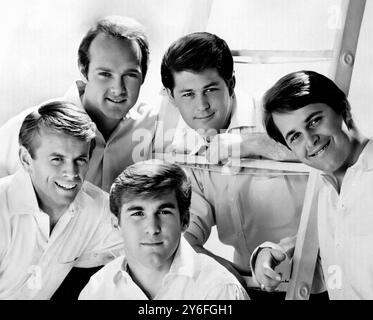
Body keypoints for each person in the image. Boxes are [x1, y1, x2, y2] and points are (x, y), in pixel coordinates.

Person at [159, 32, 308, 289]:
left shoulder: (274, 113)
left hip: (313, 274)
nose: (202, 105)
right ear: (171, 97)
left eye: (210, 90)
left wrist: (251, 144)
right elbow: (188, 234)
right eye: (187, 94)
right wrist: (223, 275)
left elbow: (325, 151)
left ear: (231, 83)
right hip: (249, 280)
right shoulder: (184, 150)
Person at [0, 15, 157, 192]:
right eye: (105, 74)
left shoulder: (156, 127)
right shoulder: (22, 131)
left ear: (143, 76)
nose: (118, 89)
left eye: (130, 75)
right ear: (83, 69)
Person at [253, 70, 370, 299]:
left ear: (343, 109)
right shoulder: (327, 188)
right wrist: (275, 253)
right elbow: (338, 270)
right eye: (294, 136)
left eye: (315, 120)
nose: (309, 140)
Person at [0, 101, 124, 299]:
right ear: (25, 159)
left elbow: (145, 245)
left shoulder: (96, 207)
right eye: (57, 159)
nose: (71, 173)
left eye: (80, 160)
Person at [78, 160, 249, 300]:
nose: (152, 229)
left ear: (185, 220)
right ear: (116, 224)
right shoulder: (96, 291)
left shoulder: (219, 291)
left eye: (164, 212)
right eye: (138, 213)